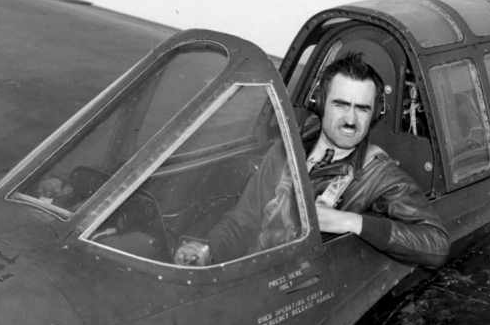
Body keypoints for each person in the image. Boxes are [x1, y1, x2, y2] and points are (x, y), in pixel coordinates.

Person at [174, 52, 449, 269]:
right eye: (341, 104)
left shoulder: (379, 175)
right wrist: (207, 250)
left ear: (375, 114)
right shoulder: (286, 151)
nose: (351, 120)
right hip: (257, 276)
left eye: (362, 109)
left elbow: (436, 244)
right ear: (320, 103)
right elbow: (241, 223)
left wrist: (351, 222)